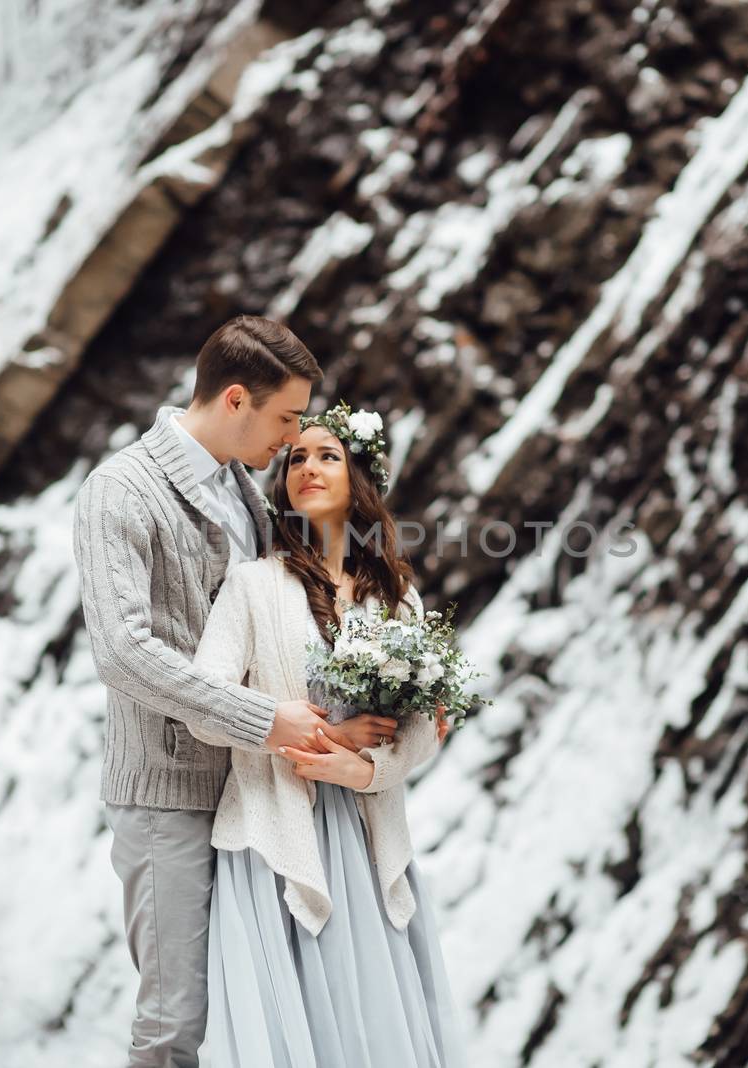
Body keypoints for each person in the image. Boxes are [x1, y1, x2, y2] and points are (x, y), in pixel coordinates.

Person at [72, 316, 402, 1067]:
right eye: (286, 418)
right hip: (170, 795)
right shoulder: (119, 491)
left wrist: (375, 709)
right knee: (173, 1020)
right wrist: (265, 721)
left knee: (273, 1007)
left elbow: (286, 620)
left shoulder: (243, 490)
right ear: (234, 400)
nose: (293, 440)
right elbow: (123, 652)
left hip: (258, 795)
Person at [188, 401, 466, 1067]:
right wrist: (307, 731)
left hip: (369, 837)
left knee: (375, 1027)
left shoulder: (397, 597)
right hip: (278, 831)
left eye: (327, 456)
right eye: (297, 458)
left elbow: (428, 726)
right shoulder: (253, 586)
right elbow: (203, 702)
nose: (307, 467)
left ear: (360, 479)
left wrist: (368, 769)